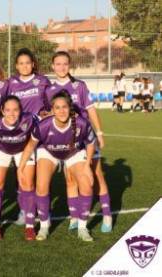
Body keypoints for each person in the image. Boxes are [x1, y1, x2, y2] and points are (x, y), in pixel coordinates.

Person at [45, 51, 112, 233]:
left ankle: (107, 214)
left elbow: (90, 110)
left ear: (69, 65)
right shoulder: (49, 89)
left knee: (96, 175)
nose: (61, 67)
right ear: (53, 66)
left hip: (86, 137)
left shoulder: (79, 86)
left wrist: (99, 132)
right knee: (70, 179)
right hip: (67, 141)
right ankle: (74, 217)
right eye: (58, 64)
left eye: (65, 63)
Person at [18, 91, 96, 242]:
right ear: (52, 110)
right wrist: (21, 168)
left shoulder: (81, 123)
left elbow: (91, 143)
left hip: (74, 153)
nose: (61, 111)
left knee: (86, 184)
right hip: (48, 152)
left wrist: (87, 165)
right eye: (57, 108)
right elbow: (30, 146)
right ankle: (44, 226)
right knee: (41, 186)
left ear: (70, 108)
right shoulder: (43, 126)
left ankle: (82, 227)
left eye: (65, 107)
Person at [8, 48, 50, 225]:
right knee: (22, 173)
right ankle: (25, 210)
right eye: (21, 63)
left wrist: (46, 114)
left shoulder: (42, 81)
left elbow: (50, 105)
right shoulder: (11, 83)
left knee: (41, 175)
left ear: (33, 64)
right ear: (17, 66)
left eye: (28, 62)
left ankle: (43, 210)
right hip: (19, 134)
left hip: (39, 134)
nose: (25, 66)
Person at [0, 96, 36, 241]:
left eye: (15, 110)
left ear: (21, 110)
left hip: (23, 150)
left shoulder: (30, 119)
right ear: (2, 110)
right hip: (0, 150)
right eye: (7, 110)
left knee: (28, 184)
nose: (12, 113)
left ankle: (30, 227)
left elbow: (48, 121)